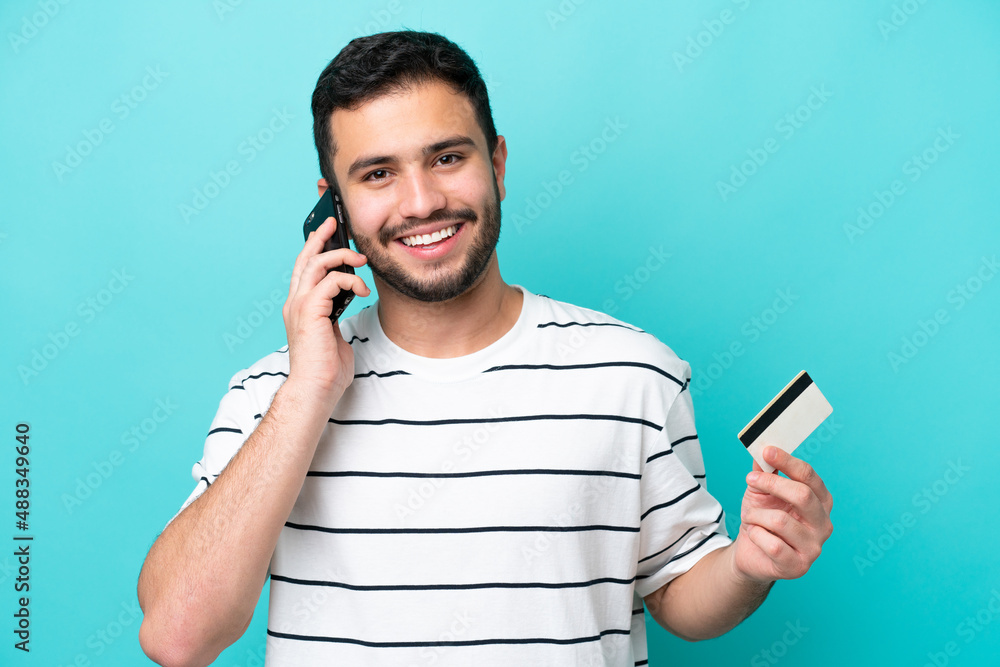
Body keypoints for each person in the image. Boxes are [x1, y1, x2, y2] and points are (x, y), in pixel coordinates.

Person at [137, 30, 834, 667]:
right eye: (377, 173)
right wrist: (306, 393)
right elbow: (178, 635)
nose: (420, 201)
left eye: (447, 157)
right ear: (335, 208)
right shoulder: (271, 394)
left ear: (496, 161)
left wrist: (749, 562)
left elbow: (680, 592)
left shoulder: (633, 373)